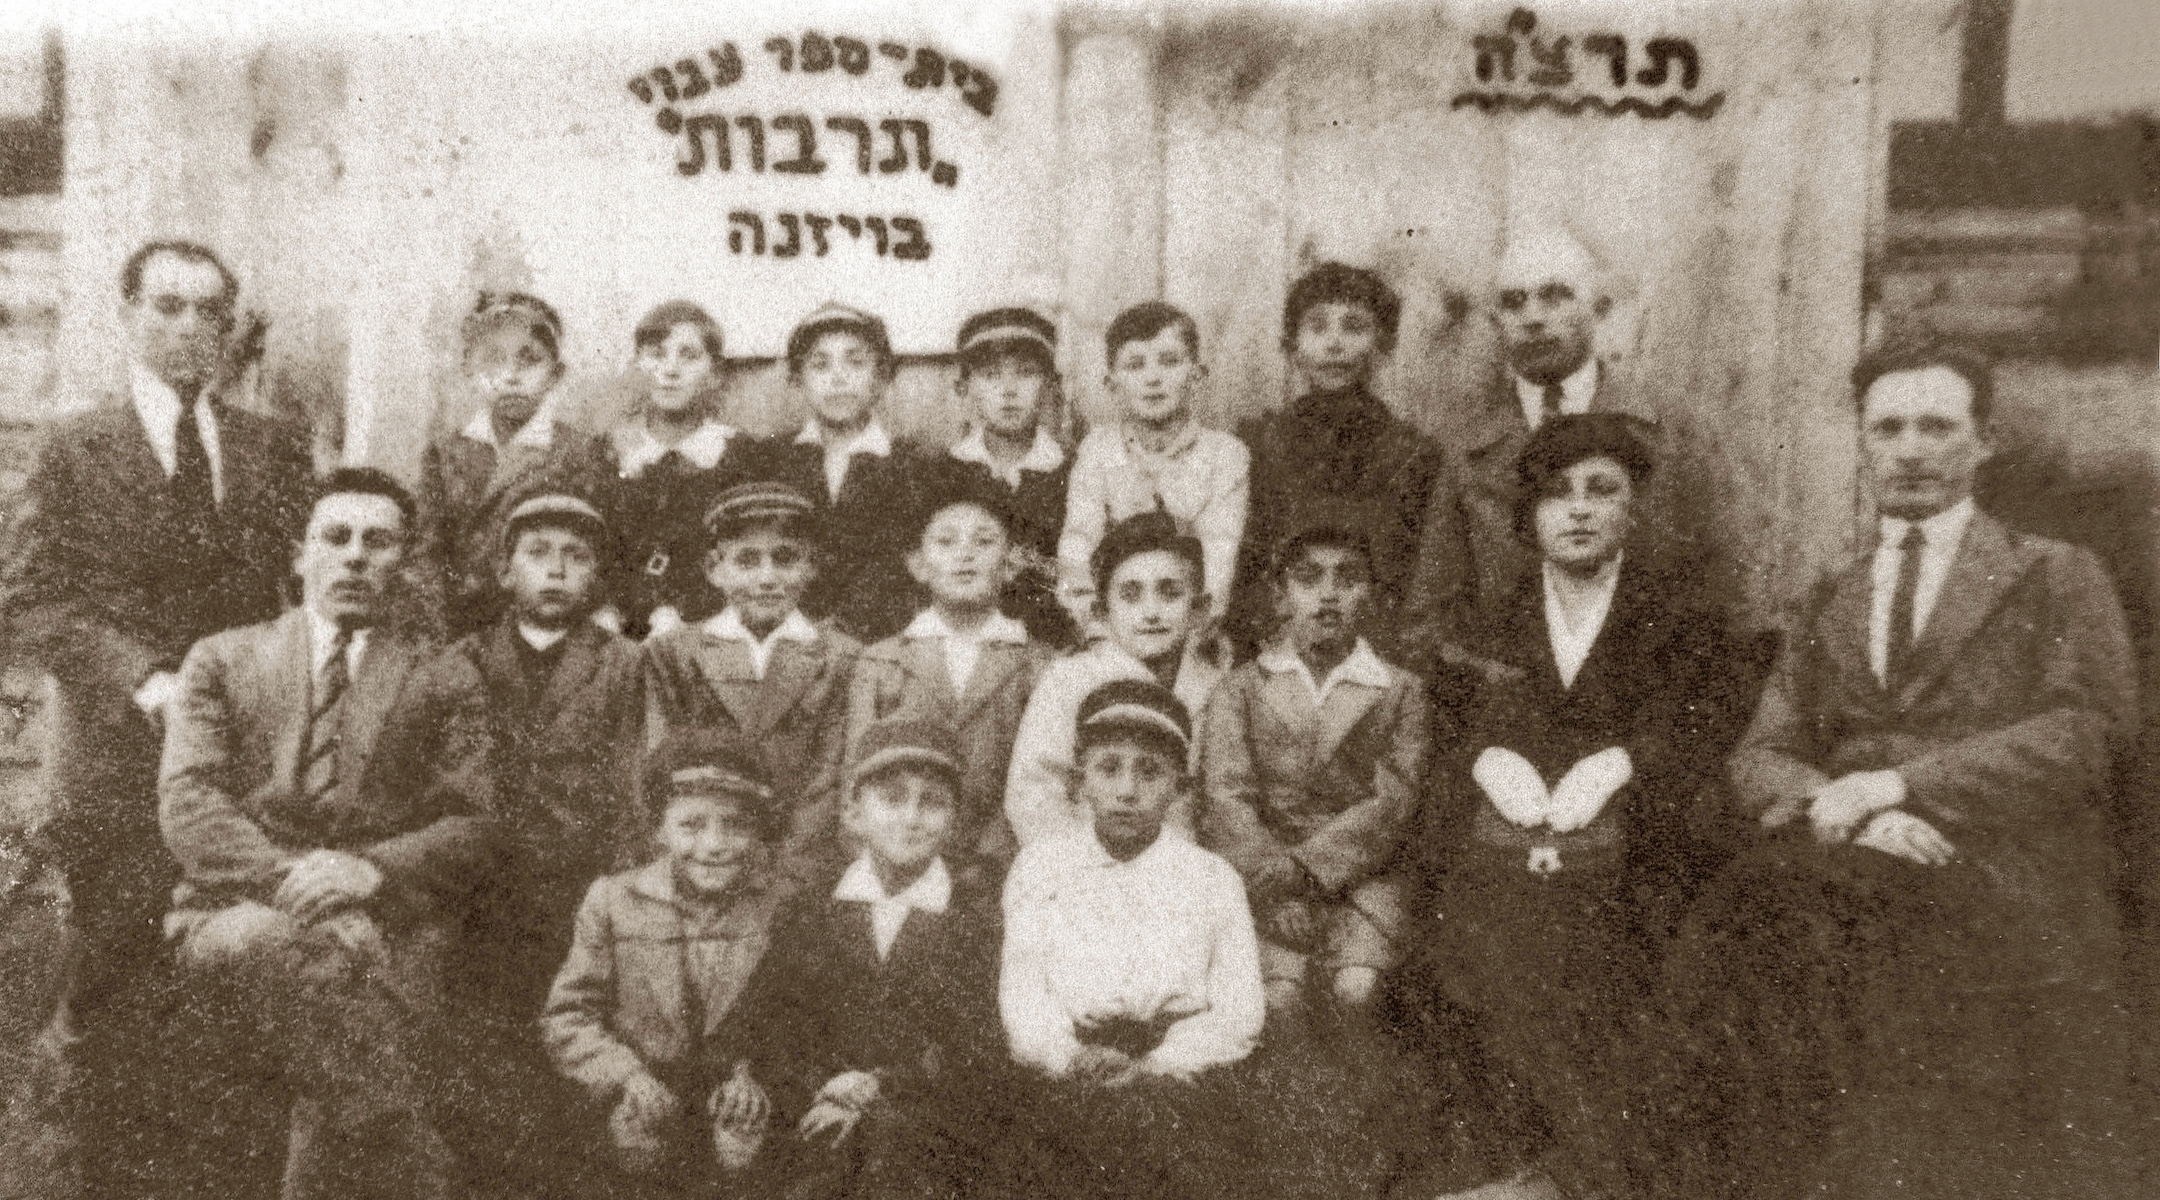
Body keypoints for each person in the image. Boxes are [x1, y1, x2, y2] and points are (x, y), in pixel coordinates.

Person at [1686, 344, 2139, 1200]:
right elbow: (1762, 751)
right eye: (1887, 427)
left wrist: (1901, 787)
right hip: (1847, 854)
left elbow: (2089, 731)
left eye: (1939, 426)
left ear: (1985, 442)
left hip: (1996, 864)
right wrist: (1845, 806)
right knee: (1736, 925)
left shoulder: (2052, 573)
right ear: (1862, 442)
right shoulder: (1834, 588)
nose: (1911, 448)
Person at [0, 239, 312, 1196]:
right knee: (117, 984)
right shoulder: (75, 446)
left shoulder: (268, 446)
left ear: (230, 329)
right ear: (129, 315)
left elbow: (296, 595)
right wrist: (143, 680)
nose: (188, 329)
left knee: (234, 988)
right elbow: (31, 597)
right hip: (118, 767)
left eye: (208, 312)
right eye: (167, 307)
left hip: (239, 772)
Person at [1415, 414, 1734, 1198]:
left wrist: (1624, 763)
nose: (1580, 510)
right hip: (1515, 851)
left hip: (1634, 855)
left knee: (1619, 952)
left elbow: (1701, 729)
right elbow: (1451, 731)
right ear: (1529, 516)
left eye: (1602, 490)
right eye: (1557, 494)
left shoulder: (1680, 619)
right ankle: (1498, 1159)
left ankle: (1585, 1170)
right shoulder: (1494, 616)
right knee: (1468, 930)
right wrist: (1487, 758)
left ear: (1633, 508)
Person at [158, 468, 496, 1200]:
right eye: (335, 537)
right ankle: (418, 1162)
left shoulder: (442, 676)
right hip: (233, 906)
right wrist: (303, 886)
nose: (354, 557)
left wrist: (369, 873)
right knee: (275, 945)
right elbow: (189, 803)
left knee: (332, 1009)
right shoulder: (222, 658)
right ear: (299, 554)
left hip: (385, 918)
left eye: (379, 542)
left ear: (404, 563)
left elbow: (472, 822)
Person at [429, 491, 645, 1197]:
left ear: (597, 578)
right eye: (538, 554)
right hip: (482, 899)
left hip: (578, 894)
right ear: (503, 571)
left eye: (575, 558)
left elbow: (634, 786)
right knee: (481, 1058)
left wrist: (617, 889)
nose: (556, 572)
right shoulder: (461, 659)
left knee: (572, 1053)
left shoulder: (625, 666)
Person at [1401, 224, 1717, 672]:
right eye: (1513, 302)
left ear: (1598, 309)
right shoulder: (1466, 448)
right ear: (1495, 322)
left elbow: (1723, 596)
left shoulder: (1671, 434)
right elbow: (1428, 618)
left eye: (1555, 296)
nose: (1533, 317)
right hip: (1506, 705)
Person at [999, 680, 1264, 1200]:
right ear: (1079, 782)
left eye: (1150, 771)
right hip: (1068, 1069)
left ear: (1179, 787)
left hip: (1181, 1074)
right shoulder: (1041, 866)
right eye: (1108, 767)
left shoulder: (1211, 878)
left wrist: (1159, 1065)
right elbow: (1024, 993)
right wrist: (1067, 1056)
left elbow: (1240, 1011)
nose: (1127, 790)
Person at [734, 720, 1006, 1200]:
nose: (912, 817)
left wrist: (875, 1088)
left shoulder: (975, 918)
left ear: (955, 821)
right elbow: (773, 1021)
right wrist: (828, 1085)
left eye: (933, 802)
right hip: (812, 1107)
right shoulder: (813, 908)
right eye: (893, 798)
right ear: (853, 813)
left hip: (925, 1126)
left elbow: (972, 1045)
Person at [1199, 520, 1428, 1029]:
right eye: (1308, 578)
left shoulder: (1400, 690)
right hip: (1263, 875)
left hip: (1363, 878)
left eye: (1347, 579)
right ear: (1281, 596)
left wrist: (1305, 870)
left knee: (1355, 990)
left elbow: (1392, 802)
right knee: (1277, 998)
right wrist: (1273, 886)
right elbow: (1224, 796)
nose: (1328, 595)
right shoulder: (1242, 687)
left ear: (1369, 594)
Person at [541, 731, 789, 1198]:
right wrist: (625, 1075)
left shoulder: (779, 906)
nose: (714, 845)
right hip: (641, 1098)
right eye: (691, 825)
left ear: (758, 831)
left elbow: (802, 1018)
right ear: (659, 828)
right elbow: (568, 1017)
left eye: (735, 825)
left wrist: (754, 1077)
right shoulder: (613, 900)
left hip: (736, 1107)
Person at [1227, 263, 1450, 663]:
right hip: (1276, 647)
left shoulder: (1415, 454)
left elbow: (1419, 572)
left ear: (1383, 346)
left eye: (1354, 327)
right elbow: (1246, 560)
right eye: (1317, 327)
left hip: (1380, 649)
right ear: (1291, 346)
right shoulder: (1260, 443)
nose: (1334, 343)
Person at [642, 480, 859, 888]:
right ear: (714, 569)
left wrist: (790, 874)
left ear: (810, 566)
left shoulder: (840, 658)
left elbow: (830, 779)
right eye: (747, 561)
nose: (767, 578)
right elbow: (661, 764)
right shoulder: (675, 653)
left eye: (785, 559)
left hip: (799, 872)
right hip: (701, 860)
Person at [845, 477, 1054, 876]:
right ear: (918, 564)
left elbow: (1040, 784)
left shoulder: (1039, 665)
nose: (965, 555)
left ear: (1011, 564)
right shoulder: (882, 661)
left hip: (1003, 868)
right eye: (946, 541)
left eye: (984, 541)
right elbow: (854, 782)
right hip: (896, 864)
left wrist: (992, 863)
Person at [1006, 511, 1226, 849]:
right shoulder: (1071, 679)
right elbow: (1034, 791)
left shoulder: (1215, 683)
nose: (1151, 612)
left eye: (1169, 593)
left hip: (1183, 868)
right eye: (1130, 595)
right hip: (1086, 866)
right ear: (1102, 613)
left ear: (1199, 609)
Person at [416, 291, 614, 638]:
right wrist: (436, 630)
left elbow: (597, 552)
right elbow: (426, 550)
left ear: (556, 373)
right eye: (493, 360)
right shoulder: (446, 451)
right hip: (455, 629)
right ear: (469, 370)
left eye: (529, 360)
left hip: (543, 626)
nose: (510, 375)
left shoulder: (579, 452)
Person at [1057, 300, 1249, 639]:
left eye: (1169, 361)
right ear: (1112, 383)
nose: (1153, 378)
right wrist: (1098, 632)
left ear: (1197, 374)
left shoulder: (1224, 456)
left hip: (1191, 634)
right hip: (1110, 632)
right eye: (1135, 365)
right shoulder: (1098, 451)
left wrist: (1190, 636)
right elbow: (1078, 548)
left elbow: (1219, 561)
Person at [764, 302, 939, 643]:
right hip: (788, 636)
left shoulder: (912, 465)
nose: (838, 377)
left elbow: (905, 568)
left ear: (881, 377)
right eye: (820, 364)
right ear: (798, 379)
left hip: (882, 641)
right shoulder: (774, 460)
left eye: (855, 362)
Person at [609, 300, 758, 640]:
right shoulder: (610, 452)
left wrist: (684, 612)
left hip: (704, 627)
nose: (670, 370)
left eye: (689, 356)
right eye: (657, 354)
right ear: (637, 365)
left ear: (715, 375)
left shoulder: (738, 457)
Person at [944, 306, 1077, 648]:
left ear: (1051, 385)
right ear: (964, 388)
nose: (1008, 389)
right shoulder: (945, 473)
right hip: (965, 634)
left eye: (1026, 373)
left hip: (1051, 639)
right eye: (989, 375)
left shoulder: (1073, 471)